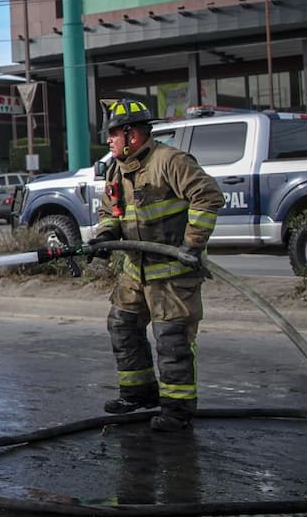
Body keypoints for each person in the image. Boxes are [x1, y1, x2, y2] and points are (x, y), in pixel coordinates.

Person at [89, 98, 224, 432]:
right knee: (122, 326)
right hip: (135, 272)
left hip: (172, 275)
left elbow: (208, 197)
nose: (109, 141)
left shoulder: (171, 161)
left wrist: (193, 244)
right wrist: (106, 235)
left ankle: (178, 412)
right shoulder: (115, 169)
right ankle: (138, 392)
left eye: (113, 134)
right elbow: (111, 212)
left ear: (132, 134)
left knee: (172, 341)